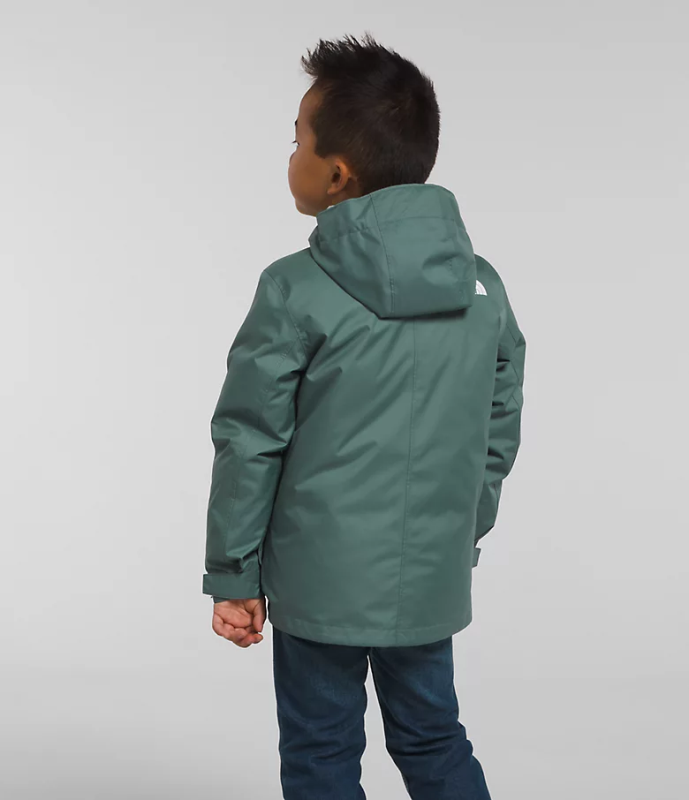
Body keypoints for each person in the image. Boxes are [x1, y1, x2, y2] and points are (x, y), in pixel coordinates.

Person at [202, 32, 526, 800]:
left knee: (320, 749)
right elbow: (496, 428)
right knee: (434, 738)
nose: (290, 156)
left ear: (337, 174)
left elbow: (250, 439)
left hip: (317, 584)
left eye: (296, 141)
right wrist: (457, 534)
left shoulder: (293, 288)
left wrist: (233, 573)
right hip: (428, 576)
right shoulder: (480, 287)